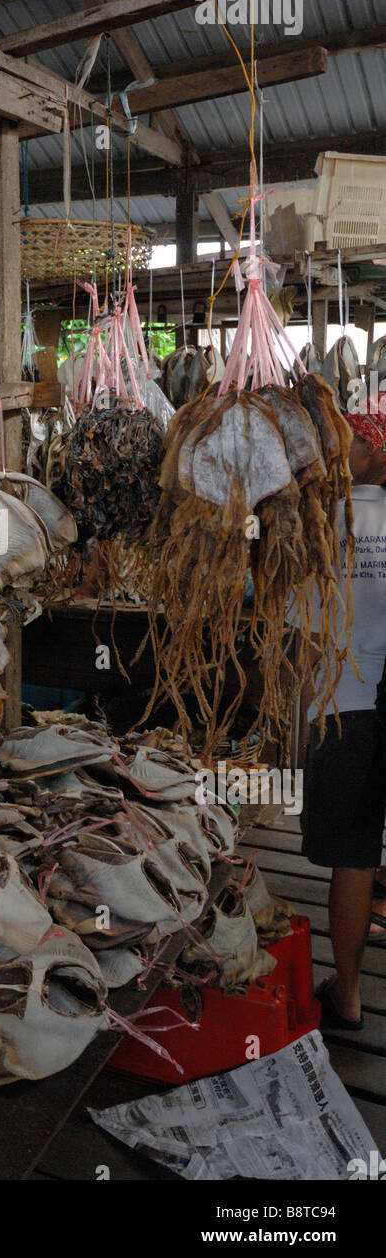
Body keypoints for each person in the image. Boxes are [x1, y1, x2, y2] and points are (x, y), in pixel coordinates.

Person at [301, 400, 386, 1030]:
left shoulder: (322, 523)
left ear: (376, 453)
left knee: (353, 857)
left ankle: (349, 992)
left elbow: (301, 636)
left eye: (351, 441)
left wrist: (294, 718)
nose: (337, 450)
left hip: (344, 710)